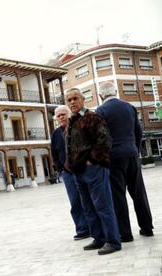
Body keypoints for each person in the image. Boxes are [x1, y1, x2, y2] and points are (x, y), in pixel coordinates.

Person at [65, 88, 121, 255]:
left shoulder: (92, 117)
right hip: (78, 171)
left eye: (75, 98)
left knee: (103, 205)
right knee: (88, 206)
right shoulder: (72, 120)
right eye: (69, 100)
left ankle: (113, 241)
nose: (72, 102)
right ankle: (99, 238)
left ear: (83, 100)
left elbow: (105, 141)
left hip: (94, 169)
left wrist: (92, 161)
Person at [96, 81, 154, 241]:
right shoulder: (129, 107)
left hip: (114, 158)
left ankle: (125, 233)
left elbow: (101, 138)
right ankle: (147, 228)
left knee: (118, 196)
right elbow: (138, 131)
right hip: (132, 154)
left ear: (101, 95)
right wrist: (134, 149)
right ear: (115, 91)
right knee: (139, 193)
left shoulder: (100, 111)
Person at [51, 105, 89, 241]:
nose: (61, 117)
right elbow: (54, 153)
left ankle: (95, 226)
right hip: (67, 173)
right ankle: (82, 229)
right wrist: (60, 168)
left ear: (69, 114)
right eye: (58, 115)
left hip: (83, 169)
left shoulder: (78, 127)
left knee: (88, 199)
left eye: (63, 114)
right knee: (75, 201)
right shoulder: (56, 134)